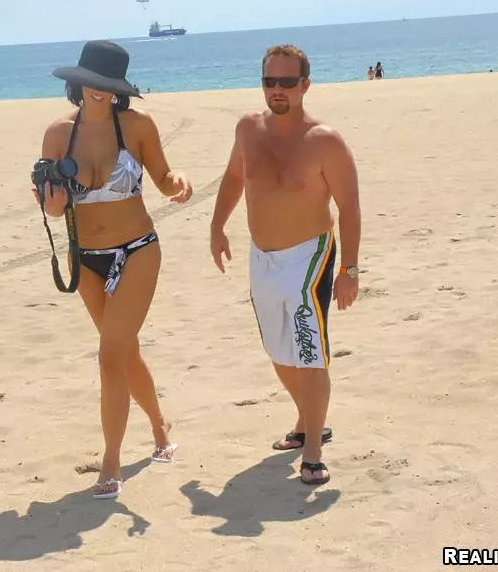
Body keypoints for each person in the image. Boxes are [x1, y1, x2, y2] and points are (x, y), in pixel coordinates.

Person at [32, 40, 193, 498]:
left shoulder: (137, 125)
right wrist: (51, 201)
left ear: (119, 88)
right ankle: (159, 426)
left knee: (109, 355)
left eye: (108, 85)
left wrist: (178, 183)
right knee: (122, 351)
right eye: (92, 83)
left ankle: (111, 460)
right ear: (78, 83)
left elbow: (163, 178)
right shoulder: (58, 134)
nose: (99, 91)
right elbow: (53, 208)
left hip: (137, 249)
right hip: (85, 259)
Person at [209, 43, 362, 486]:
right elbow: (234, 177)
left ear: (305, 85)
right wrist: (217, 226)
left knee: (309, 352)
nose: (277, 89)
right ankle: (307, 419)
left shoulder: (325, 141)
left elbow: (349, 208)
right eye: (269, 81)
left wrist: (349, 270)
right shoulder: (247, 129)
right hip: (262, 257)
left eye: (287, 82)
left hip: (309, 257)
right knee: (279, 351)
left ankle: (313, 448)